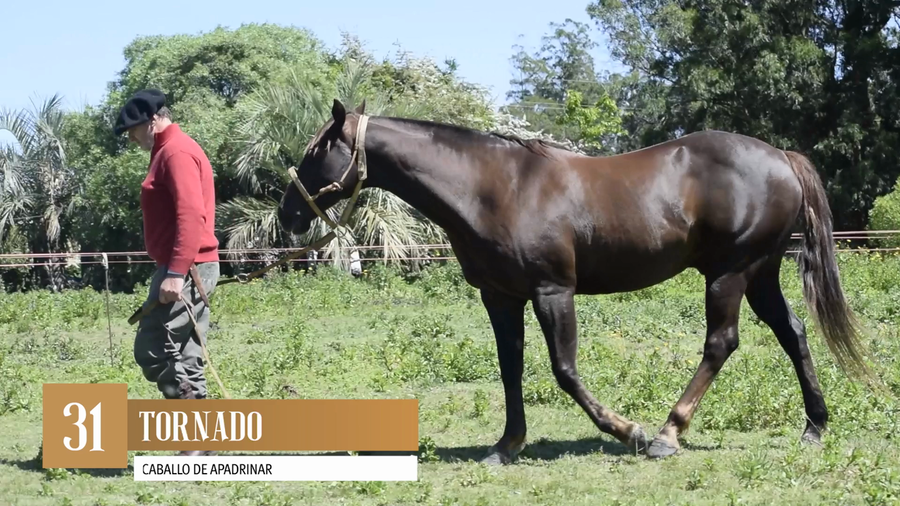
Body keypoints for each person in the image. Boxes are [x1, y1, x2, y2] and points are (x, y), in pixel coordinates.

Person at [115, 89, 220, 456]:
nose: (130, 137)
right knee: (183, 352)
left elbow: (190, 216)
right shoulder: (168, 150)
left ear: (154, 120)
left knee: (155, 348)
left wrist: (175, 272)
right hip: (188, 265)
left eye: (132, 129)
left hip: (186, 268)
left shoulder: (174, 152)